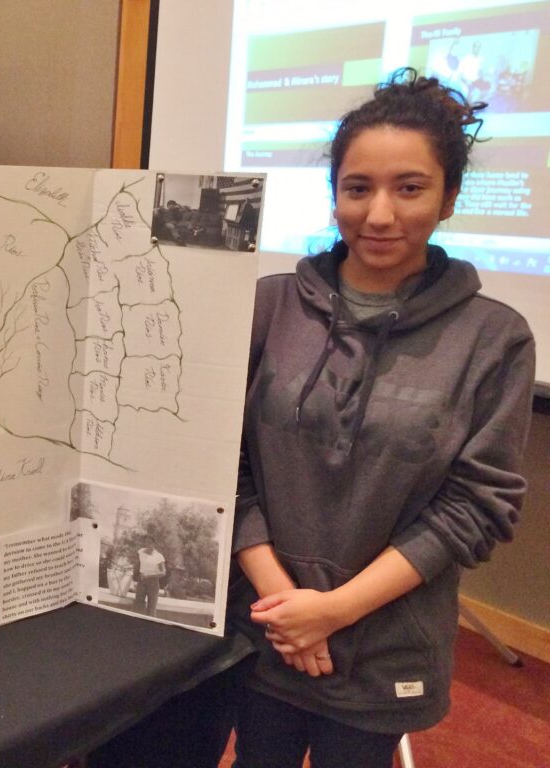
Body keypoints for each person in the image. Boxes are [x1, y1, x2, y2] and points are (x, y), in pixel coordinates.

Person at [229, 67, 534, 767]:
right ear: (334, 194)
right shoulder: (269, 307)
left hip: (385, 644)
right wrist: (288, 607)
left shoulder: (495, 337)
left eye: (410, 187)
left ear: (449, 196)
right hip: (268, 629)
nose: (380, 214)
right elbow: (228, 460)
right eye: (358, 188)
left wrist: (333, 612)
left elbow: (475, 508)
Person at [132, 538, 166, 616]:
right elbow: (137, 565)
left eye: (150, 543)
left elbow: (163, 572)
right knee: (138, 606)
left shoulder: (159, 556)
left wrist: (149, 575)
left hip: (153, 583)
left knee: (151, 608)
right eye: (147, 542)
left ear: (154, 544)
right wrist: (135, 577)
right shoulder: (141, 551)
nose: (148, 544)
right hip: (141, 581)